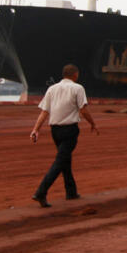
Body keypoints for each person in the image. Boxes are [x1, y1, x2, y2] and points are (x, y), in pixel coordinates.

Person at [29, 64, 99, 207]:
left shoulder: (51, 89)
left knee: (65, 159)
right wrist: (93, 123)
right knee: (60, 161)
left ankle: (71, 192)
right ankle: (41, 192)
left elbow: (44, 111)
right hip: (70, 130)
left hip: (55, 131)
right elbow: (84, 110)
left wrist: (36, 129)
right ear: (75, 75)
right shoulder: (78, 88)